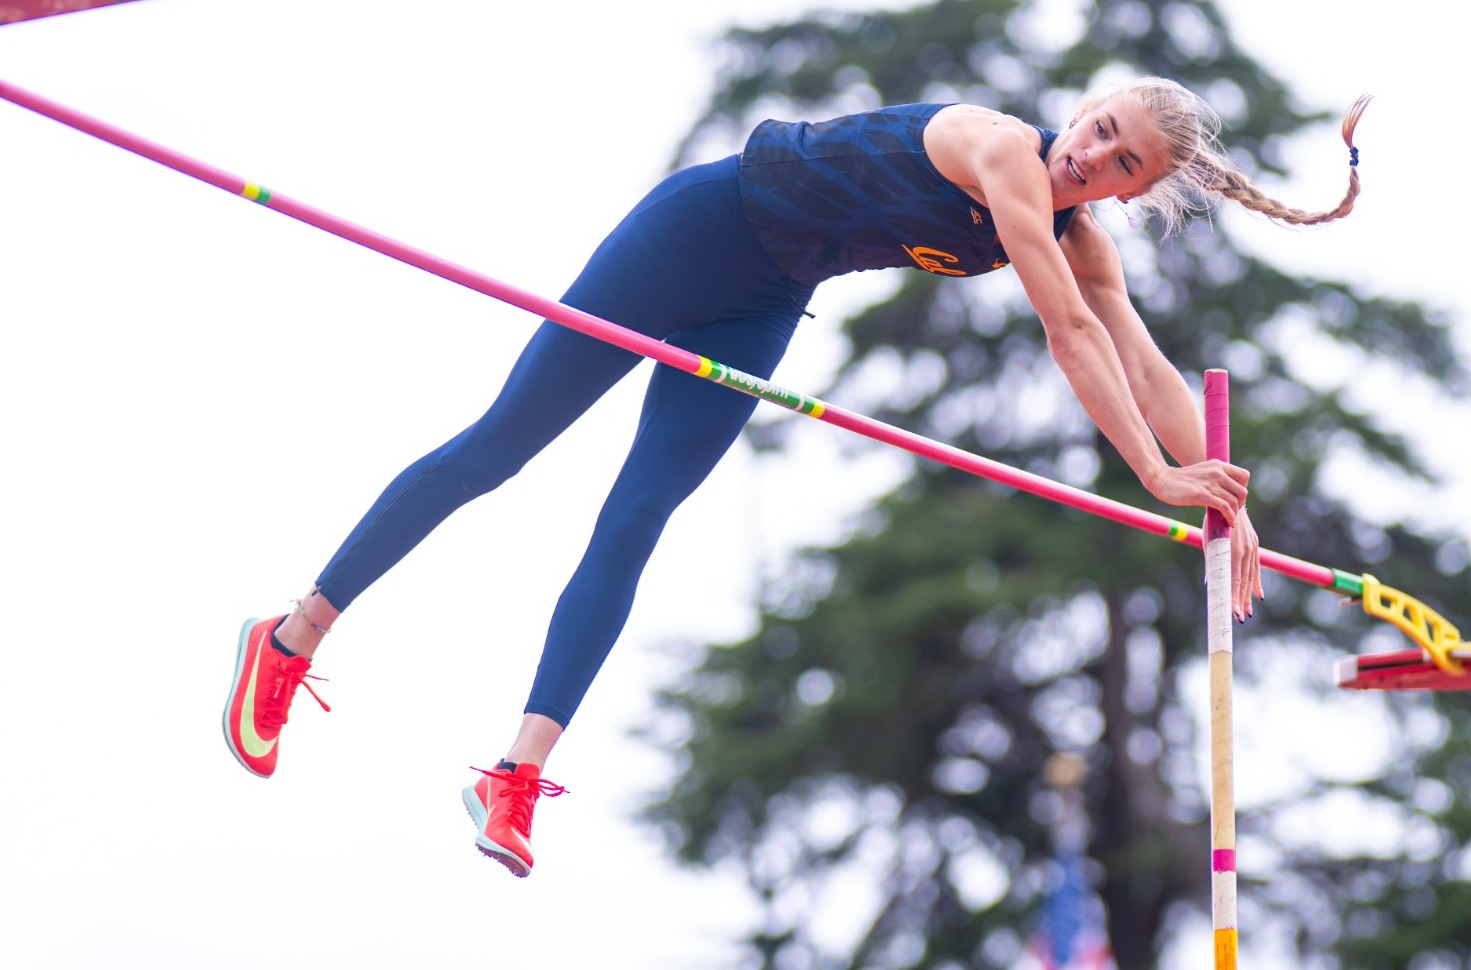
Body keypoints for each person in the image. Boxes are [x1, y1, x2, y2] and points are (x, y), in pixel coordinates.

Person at [221, 75, 1368, 877]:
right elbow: (1067, 334)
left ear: (1129, 190)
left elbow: (1140, 359)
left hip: (765, 300)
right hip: (695, 231)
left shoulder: (1084, 238)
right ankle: (290, 635)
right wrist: (1156, 479)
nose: (1093, 156)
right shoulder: (1000, 151)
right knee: (500, 448)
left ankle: (513, 780)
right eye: (1101, 129)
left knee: (636, 517)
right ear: (1083, 107)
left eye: (1122, 163)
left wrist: (1224, 499)